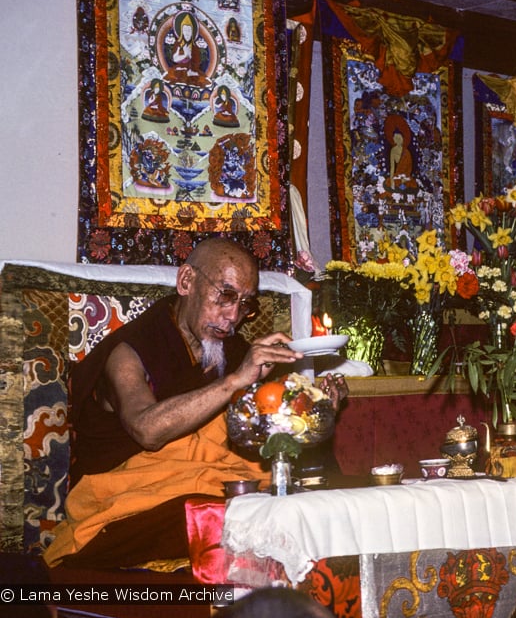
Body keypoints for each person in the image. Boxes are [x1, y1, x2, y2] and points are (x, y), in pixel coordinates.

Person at [42, 238, 329, 569]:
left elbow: (256, 434)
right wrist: (236, 380)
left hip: (204, 488)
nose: (233, 316)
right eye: (224, 295)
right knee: (240, 520)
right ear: (186, 282)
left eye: (245, 303)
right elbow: (147, 431)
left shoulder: (232, 350)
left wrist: (310, 407)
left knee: (306, 505)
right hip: (125, 506)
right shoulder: (127, 354)